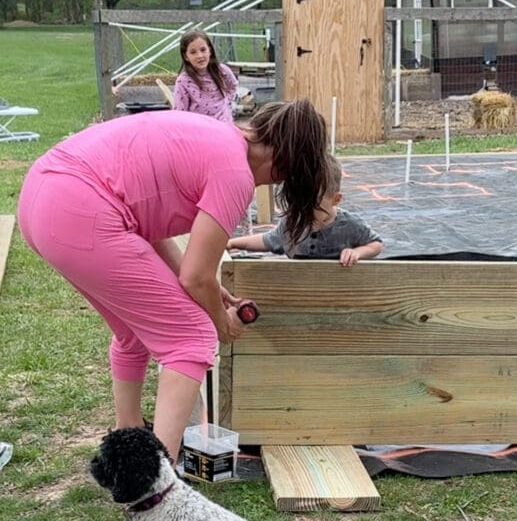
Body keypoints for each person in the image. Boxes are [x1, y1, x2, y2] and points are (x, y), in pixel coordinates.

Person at [17, 99, 329, 465]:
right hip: (79, 209)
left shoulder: (216, 138)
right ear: (286, 164)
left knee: (134, 330)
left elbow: (152, 229)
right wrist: (218, 320)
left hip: (43, 199)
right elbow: (196, 278)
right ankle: (156, 480)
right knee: (191, 335)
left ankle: (128, 437)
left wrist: (212, 291)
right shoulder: (235, 173)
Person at [227, 154, 383, 266]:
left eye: (313, 207)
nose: (305, 214)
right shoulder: (292, 223)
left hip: (338, 291)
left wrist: (358, 252)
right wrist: (232, 243)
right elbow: (268, 240)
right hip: (302, 290)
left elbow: (375, 244)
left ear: (336, 199)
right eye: (299, 206)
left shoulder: (350, 225)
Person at [173, 30, 238, 123]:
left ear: (210, 50)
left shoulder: (222, 70)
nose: (199, 56)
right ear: (186, 56)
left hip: (224, 126)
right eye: (193, 52)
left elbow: (233, 85)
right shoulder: (183, 81)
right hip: (200, 130)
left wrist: (226, 104)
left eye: (203, 50)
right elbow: (180, 113)